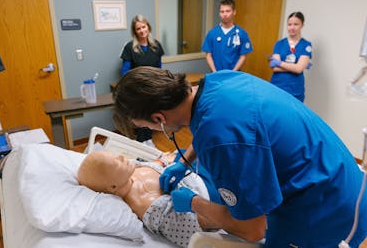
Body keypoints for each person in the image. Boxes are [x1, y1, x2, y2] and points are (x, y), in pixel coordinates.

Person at [112, 66, 367, 248]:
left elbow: (252, 230)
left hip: (331, 206)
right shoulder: (218, 81)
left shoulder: (220, 139)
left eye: (147, 126)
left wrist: (193, 203)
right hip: (332, 167)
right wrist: (183, 162)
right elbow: (211, 129)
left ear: (159, 118)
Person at [77, 149, 221, 248]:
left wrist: (164, 161)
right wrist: (193, 202)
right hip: (208, 189)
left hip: (190, 168)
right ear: (113, 187)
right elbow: (194, 231)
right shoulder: (146, 205)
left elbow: (157, 163)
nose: (121, 156)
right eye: (116, 162)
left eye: (115, 155)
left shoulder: (128, 170)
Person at [120, 14, 165, 143]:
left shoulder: (156, 46)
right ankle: (141, 144)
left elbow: (159, 68)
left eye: (143, 27)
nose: (142, 31)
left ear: (148, 27)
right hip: (137, 89)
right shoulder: (130, 48)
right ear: (134, 31)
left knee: (151, 116)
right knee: (141, 117)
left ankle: (149, 141)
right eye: (138, 28)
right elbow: (125, 72)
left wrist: (160, 85)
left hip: (153, 88)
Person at [269, 12, 312, 102]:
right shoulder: (279, 44)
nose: (292, 27)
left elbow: (298, 69)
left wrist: (280, 63)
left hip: (295, 89)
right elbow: (275, 68)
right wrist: (295, 66)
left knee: (292, 115)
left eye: (296, 24)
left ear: (302, 25)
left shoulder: (306, 45)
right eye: (289, 24)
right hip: (277, 86)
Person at [201, 0, 253, 72]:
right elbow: (208, 55)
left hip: (234, 75)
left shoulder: (242, 33)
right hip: (216, 73)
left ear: (234, 12)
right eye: (222, 11)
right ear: (219, 13)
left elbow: (243, 56)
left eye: (228, 11)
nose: (225, 14)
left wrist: (233, 72)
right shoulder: (212, 33)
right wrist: (215, 72)